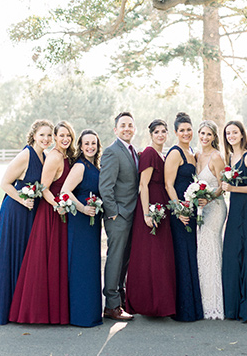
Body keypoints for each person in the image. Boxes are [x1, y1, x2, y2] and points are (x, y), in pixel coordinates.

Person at [0, 120, 53, 324]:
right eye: (42, 135)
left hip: (31, 213)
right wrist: (22, 198)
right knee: (10, 256)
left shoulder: (45, 156)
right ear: (33, 136)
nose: (46, 139)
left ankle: (19, 307)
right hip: (15, 212)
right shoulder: (26, 155)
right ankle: (1, 308)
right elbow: (4, 183)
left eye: (49, 136)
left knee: (25, 258)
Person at [9, 121, 75, 324]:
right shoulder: (53, 157)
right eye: (61, 135)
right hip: (49, 212)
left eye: (68, 136)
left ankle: (55, 311)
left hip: (57, 212)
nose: (64, 139)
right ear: (56, 137)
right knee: (42, 262)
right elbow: (44, 188)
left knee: (54, 261)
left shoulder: (59, 156)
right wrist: (57, 205)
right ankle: (36, 312)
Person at [125, 119, 176, 317]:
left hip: (161, 207)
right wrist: (147, 213)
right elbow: (143, 185)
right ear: (151, 135)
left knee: (159, 257)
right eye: (157, 132)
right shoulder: (149, 153)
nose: (161, 135)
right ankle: (148, 304)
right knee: (151, 256)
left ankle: (162, 302)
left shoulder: (162, 155)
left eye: (164, 131)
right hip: (150, 207)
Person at [98, 111, 139, 321]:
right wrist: (114, 213)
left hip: (132, 215)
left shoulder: (133, 151)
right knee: (115, 258)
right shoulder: (112, 152)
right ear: (116, 130)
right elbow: (105, 187)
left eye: (130, 125)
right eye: (123, 125)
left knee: (124, 260)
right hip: (119, 216)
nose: (127, 128)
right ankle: (111, 306)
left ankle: (121, 300)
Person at [61, 129, 103, 328]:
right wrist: (84, 209)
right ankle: (80, 315)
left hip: (93, 224)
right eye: (86, 143)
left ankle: (91, 313)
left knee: (91, 265)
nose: (90, 147)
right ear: (80, 145)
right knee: (80, 266)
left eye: (93, 143)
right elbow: (65, 191)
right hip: (80, 221)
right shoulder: (80, 166)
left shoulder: (96, 165)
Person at [164, 112, 203, 322]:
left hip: (192, 208)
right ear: (176, 132)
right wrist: (179, 210)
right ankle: (183, 309)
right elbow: (168, 184)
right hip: (179, 211)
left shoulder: (192, 152)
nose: (186, 133)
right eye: (182, 130)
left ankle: (194, 306)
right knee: (181, 255)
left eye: (189, 129)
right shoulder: (175, 153)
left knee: (190, 253)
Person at [221, 120, 247, 322]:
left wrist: (232, 188)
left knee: (246, 255)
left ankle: (246, 309)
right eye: (228, 133)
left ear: (242, 135)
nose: (231, 136)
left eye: (235, 132)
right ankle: (231, 307)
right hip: (234, 208)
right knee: (231, 255)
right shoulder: (229, 157)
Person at [195, 120, 226, 320]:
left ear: (214, 137)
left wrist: (209, 198)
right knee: (202, 250)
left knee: (212, 248)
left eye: (209, 134)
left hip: (215, 208)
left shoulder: (216, 157)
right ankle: (203, 299)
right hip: (200, 209)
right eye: (202, 133)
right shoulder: (196, 155)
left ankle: (215, 304)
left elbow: (223, 185)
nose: (205, 138)